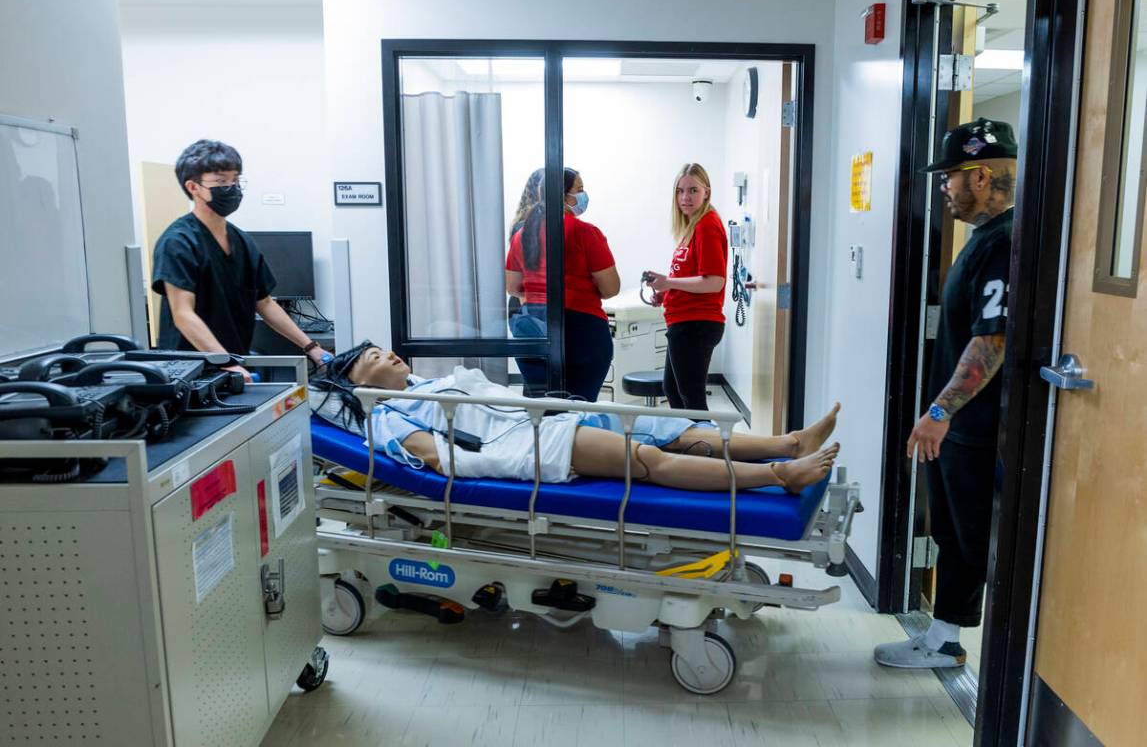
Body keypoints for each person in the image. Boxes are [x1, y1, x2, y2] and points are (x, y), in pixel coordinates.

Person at [311, 342, 841, 493]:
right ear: (358, 384)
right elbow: (436, 457)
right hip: (530, 444)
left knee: (665, 427)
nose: (391, 356)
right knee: (647, 459)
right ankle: (777, 477)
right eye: (375, 358)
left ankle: (788, 443)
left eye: (387, 350)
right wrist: (502, 461)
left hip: (540, 420)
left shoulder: (426, 385)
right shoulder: (385, 418)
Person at [874, 118, 1018, 669]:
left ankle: (949, 642)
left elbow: (993, 343)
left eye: (950, 177)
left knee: (968, 534)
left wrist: (940, 410)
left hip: (974, 427)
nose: (943, 188)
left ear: (981, 176)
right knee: (954, 531)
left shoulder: (1003, 244)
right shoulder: (985, 240)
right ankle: (944, 637)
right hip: (961, 424)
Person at [150, 139, 332, 381]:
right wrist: (224, 361)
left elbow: (265, 303)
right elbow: (183, 314)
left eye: (235, 180)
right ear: (193, 187)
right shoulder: (179, 242)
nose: (232, 187)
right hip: (190, 372)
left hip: (234, 364)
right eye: (221, 181)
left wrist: (311, 348)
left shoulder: (241, 241)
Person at [505, 168, 620, 401]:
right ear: (563, 196)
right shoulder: (585, 232)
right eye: (579, 189)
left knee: (545, 415)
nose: (583, 194)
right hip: (582, 332)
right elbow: (611, 288)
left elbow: (513, 287)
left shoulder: (523, 234)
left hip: (532, 329)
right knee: (579, 412)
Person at [643, 163, 729, 411]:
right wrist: (666, 291)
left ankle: (703, 448)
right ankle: (690, 447)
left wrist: (669, 282)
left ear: (707, 192)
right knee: (674, 392)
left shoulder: (707, 225)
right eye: (680, 191)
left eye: (693, 190)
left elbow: (715, 281)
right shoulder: (691, 227)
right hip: (684, 321)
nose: (685, 197)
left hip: (697, 324)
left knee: (691, 399)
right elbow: (692, 276)